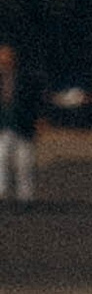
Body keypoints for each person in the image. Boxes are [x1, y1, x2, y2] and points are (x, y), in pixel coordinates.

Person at [0, 44, 39, 204]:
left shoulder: (25, 77)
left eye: (8, 56)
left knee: (24, 162)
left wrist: (37, 120)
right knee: (1, 158)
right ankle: (1, 191)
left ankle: (25, 195)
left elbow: (34, 101)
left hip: (23, 124)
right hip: (3, 125)